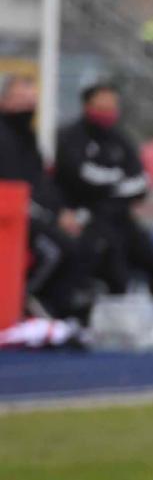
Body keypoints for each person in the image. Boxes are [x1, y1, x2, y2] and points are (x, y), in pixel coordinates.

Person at [53, 81, 153, 305]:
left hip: (120, 217)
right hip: (86, 217)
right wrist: (118, 182)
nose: (107, 112)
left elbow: (141, 182)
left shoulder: (121, 140)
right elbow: (79, 177)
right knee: (112, 265)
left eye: (112, 106)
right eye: (102, 106)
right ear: (87, 105)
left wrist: (110, 186)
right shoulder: (70, 137)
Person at [0, 76, 91, 320]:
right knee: (55, 249)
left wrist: (62, 212)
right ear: (5, 101)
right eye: (20, 99)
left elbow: (41, 183)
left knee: (89, 240)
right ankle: (19, 303)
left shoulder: (28, 138)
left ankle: (59, 306)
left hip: (31, 212)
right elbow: (14, 188)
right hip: (11, 216)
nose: (27, 106)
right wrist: (52, 217)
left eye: (31, 101)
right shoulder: (4, 138)